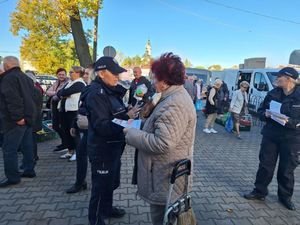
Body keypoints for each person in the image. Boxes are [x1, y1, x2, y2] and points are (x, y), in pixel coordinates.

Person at [124, 52, 197, 225]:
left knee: (164, 218)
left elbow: (163, 143)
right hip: (165, 173)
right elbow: (160, 127)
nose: (153, 82)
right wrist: (141, 125)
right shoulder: (173, 97)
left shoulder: (174, 103)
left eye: (155, 78)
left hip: (165, 175)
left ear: (165, 81)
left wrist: (131, 133)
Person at [85, 56, 140, 225]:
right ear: (101, 73)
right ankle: (95, 220)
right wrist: (127, 120)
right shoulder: (96, 94)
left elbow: (114, 115)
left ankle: (107, 209)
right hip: (103, 150)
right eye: (114, 73)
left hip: (113, 147)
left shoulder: (109, 90)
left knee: (111, 182)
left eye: (118, 73)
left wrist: (127, 114)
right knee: (100, 187)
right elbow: (103, 126)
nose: (118, 76)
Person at [244, 67, 300, 211]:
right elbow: (260, 111)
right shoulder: (272, 93)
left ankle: (285, 197)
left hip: (292, 138)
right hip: (271, 135)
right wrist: (266, 114)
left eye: (279, 76)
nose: (276, 79)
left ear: (288, 79)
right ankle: (259, 192)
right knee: (265, 165)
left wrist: (290, 122)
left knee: (286, 169)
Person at [0, 56, 37, 188]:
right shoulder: (26, 77)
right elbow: (33, 97)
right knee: (27, 145)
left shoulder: (8, 78)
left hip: (15, 120)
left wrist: (17, 118)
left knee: (9, 149)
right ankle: (29, 170)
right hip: (27, 117)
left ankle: (13, 177)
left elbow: (12, 99)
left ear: (7, 65)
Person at [66, 66, 94, 194]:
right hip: (86, 130)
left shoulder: (97, 91)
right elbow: (80, 109)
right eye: (85, 73)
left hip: (96, 131)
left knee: (94, 158)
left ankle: (98, 188)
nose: (84, 76)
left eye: (87, 74)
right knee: (81, 154)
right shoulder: (86, 89)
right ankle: (80, 182)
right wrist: (74, 124)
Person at [57, 66, 86, 160]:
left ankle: (78, 152)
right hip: (64, 110)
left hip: (73, 111)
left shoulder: (80, 83)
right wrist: (64, 94)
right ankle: (70, 151)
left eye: (71, 72)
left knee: (74, 132)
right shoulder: (70, 82)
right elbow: (60, 93)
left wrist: (64, 94)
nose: (69, 74)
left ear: (78, 73)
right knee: (66, 132)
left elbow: (65, 92)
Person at [46, 68, 69, 152]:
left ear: (66, 75)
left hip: (62, 107)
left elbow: (63, 92)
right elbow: (47, 92)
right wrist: (57, 93)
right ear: (57, 75)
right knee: (55, 126)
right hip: (54, 106)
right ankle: (64, 143)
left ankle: (65, 144)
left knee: (62, 126)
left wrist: (56, 93)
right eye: (59, 74)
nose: (61, 76)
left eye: (63, 74)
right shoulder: (56, 82)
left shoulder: (68, 82)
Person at [25, 71, 44, 161]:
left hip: (32, 117)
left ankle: (32, 157)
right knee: (32, 138)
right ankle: (34, 156)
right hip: (36, 116)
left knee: (31, 139)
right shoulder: (36, 89)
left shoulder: (30, 91)